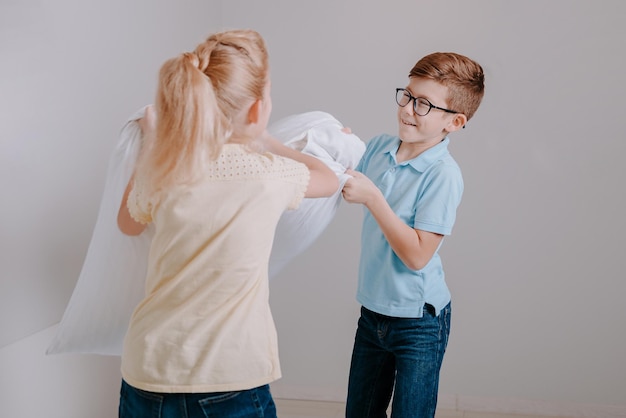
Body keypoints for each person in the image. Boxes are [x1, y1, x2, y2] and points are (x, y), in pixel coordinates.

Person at [115, 29, 338, 418]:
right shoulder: (269, 174)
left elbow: (128, 224)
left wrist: (153, 144)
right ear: (256, 110)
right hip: (229, 376)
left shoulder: (165, 170)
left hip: (148, 371)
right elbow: (329, 178)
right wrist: (267, 140)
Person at [341, 52, 485, 418]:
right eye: (407, 95)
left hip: (419, 320)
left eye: (424, 104)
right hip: (373, 312)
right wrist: (330, 146)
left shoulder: (442, 174)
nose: (408, 109)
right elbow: (334, 177)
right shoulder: (376, 148)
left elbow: (418, 255)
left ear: (454, 122)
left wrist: (374, 198)